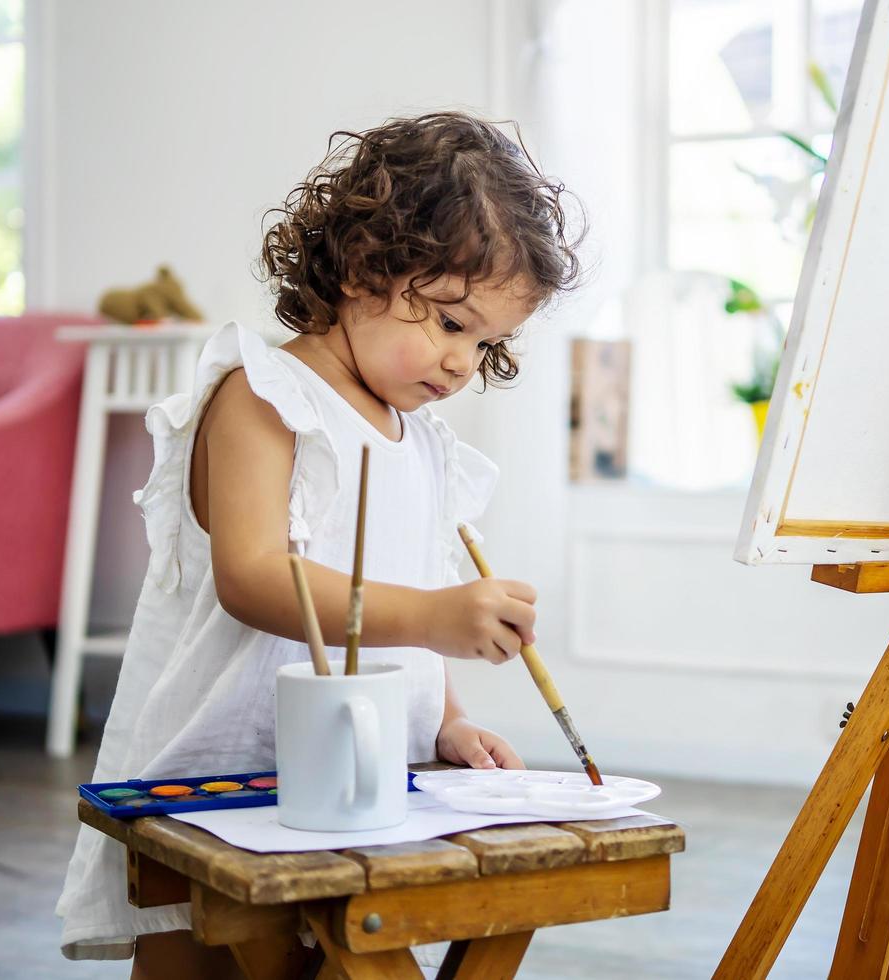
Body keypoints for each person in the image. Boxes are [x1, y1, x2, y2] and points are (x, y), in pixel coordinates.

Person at [56, 111, 583, 976]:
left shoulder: (424, 441)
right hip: (222, 782)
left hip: (366, 779)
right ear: (361, 269)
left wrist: (446, 719)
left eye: (486, 342)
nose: (462, 363)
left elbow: (407, 582)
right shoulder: (266, 397)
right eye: (451, 323)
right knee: (207, 962)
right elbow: (257, 578)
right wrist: (435, 617)